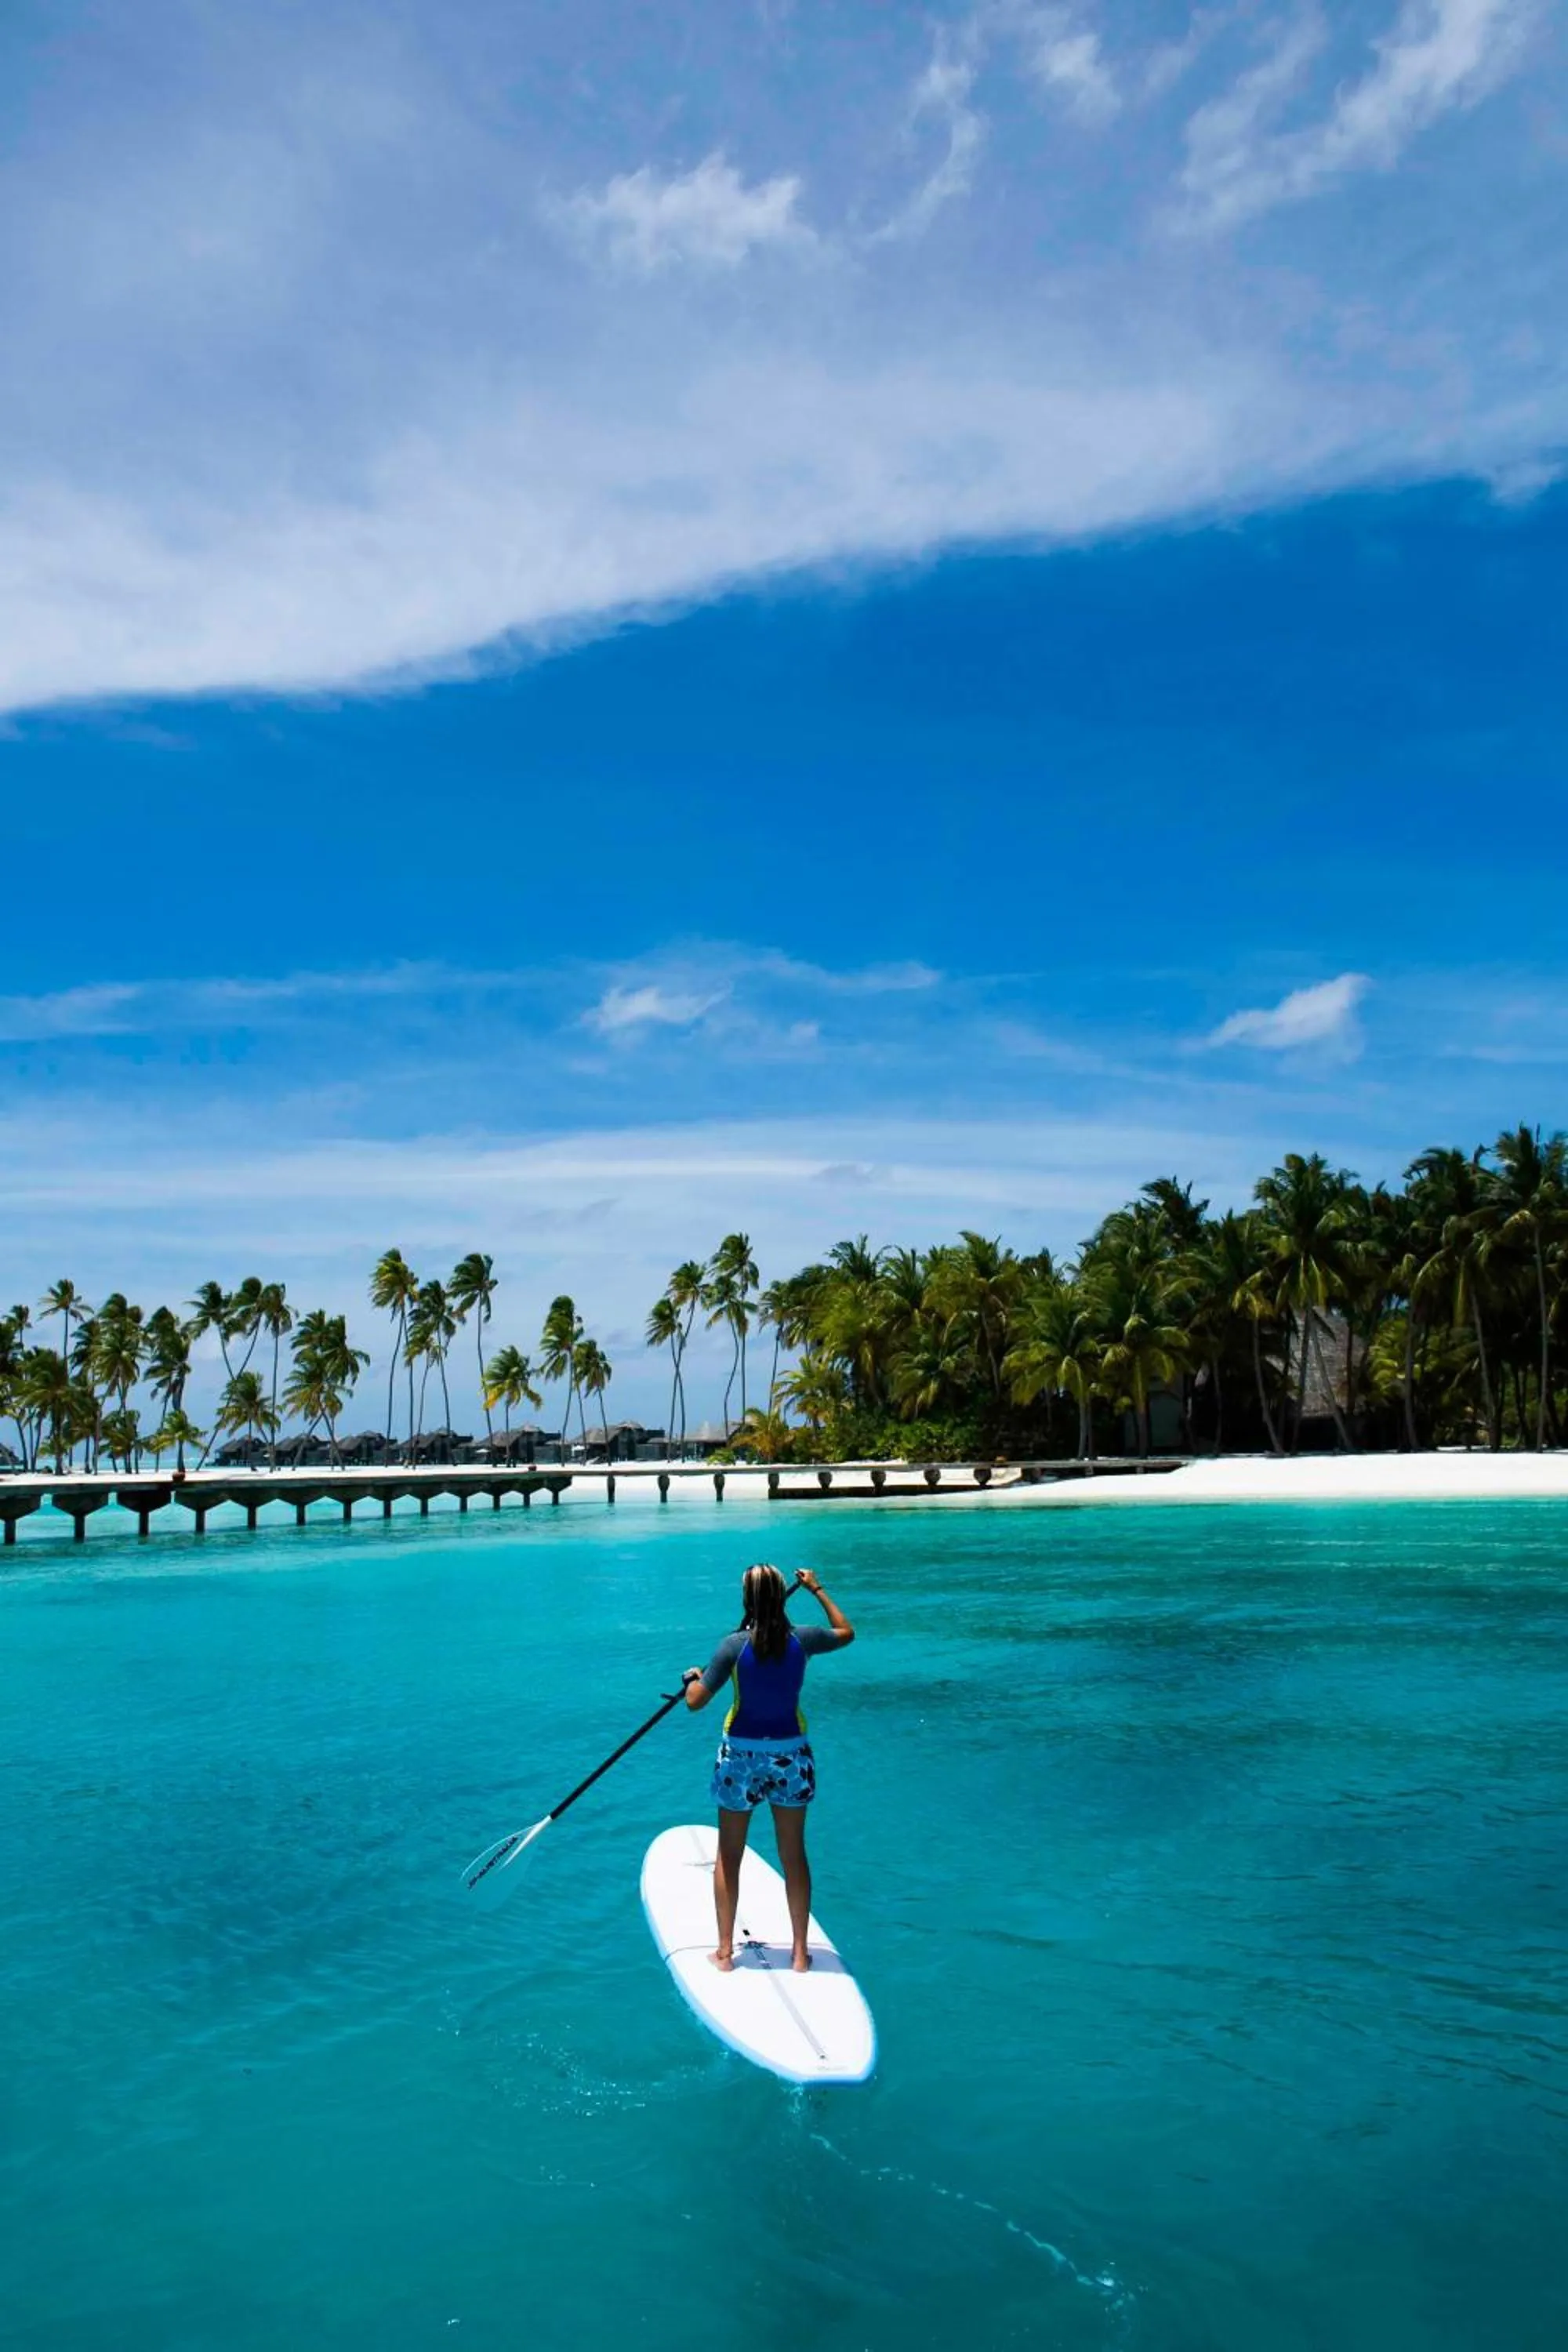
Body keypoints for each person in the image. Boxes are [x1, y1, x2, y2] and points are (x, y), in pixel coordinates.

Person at [683, 1563, 855, 1974]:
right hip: (791, 1757)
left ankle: (725, 1954)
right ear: (782, 1596)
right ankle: (799, 1955)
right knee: (793, 1854)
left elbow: (695, 1702)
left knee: (729, 1855)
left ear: (747, 1602)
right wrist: (817, 1588)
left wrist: (695, 1677)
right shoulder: (805, 1639)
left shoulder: (731, 1647)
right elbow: (847, 1632)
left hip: (740, 1758)